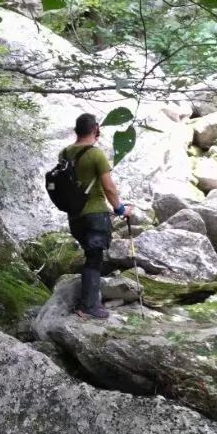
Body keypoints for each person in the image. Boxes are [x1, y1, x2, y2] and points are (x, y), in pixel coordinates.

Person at [60, 113, 131, 320]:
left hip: (75, 217)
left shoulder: (64, 153)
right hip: (95, 215)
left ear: (76, 131)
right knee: (94, 259)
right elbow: (109, 188)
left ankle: (90, 298)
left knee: (90, 255)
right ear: (96, 130)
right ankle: (88, 306)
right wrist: (121, 210)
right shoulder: (96, 154)